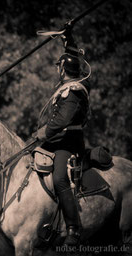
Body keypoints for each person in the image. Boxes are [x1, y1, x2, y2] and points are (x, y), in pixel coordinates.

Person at [33, 26, 91, 246]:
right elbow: (74, 59)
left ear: (62, 69)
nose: (58, 70)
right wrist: (69, 37)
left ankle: (73, 228)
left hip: (69, 142)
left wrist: (43, 133)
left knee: (59, 178)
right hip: (56, 140)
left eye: (60, 66)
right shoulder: (70, 84)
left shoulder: (75, 89)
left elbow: (63, 120)